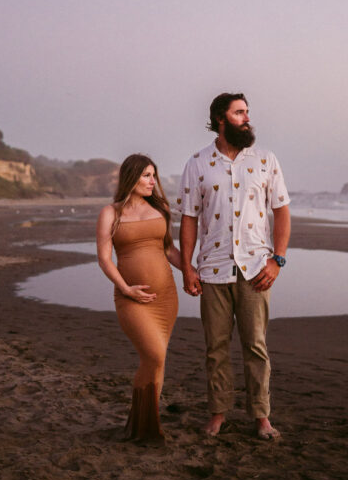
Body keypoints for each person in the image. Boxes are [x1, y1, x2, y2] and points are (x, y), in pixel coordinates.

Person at [178, 92, 291, 441]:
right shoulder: (197, 163)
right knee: (216, 348)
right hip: (212, 269)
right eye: (239, 112)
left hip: (256, 268)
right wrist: (187, 268)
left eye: (247, 112)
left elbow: (282, 211)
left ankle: (261, 417)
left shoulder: (266, 160)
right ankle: (218, 414)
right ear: (221, 118)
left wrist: (278, 259)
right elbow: (188, 219)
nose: (247, 118)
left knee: (256, 346)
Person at [97, 153, 184, 444]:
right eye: (146, 175)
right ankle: (141, 423)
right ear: (131, 177)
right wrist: (126, 288)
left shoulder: (159, 209)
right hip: (130, 297)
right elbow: (104, 259)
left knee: (158, 361)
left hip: (165, 297)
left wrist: (193, 273)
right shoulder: (111, 212)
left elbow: (169, 250)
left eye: (153, 175)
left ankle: (148, 424)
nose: (152, 181)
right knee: (154, 355)